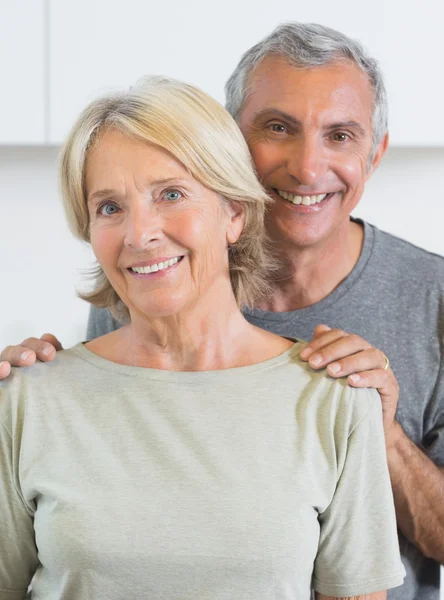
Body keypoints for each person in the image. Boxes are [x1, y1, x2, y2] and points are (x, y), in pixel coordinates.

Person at [2, 21, 443, 600]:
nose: (308, 168)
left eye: (340, 135)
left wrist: (378, 431)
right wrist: (32, 388)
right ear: (233, 144)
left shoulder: (416, 315)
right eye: (278, 127)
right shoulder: (82, 350)